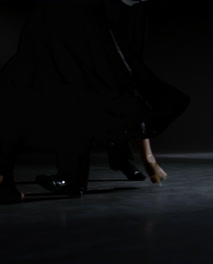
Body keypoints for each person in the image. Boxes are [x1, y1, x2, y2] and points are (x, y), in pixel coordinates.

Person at [0, 0, 190, 202]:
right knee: (63, 91)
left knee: (77, 93)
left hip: (72, 32)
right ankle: (69, 178)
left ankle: (74, 177)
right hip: (65, 28)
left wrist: (148, 156)